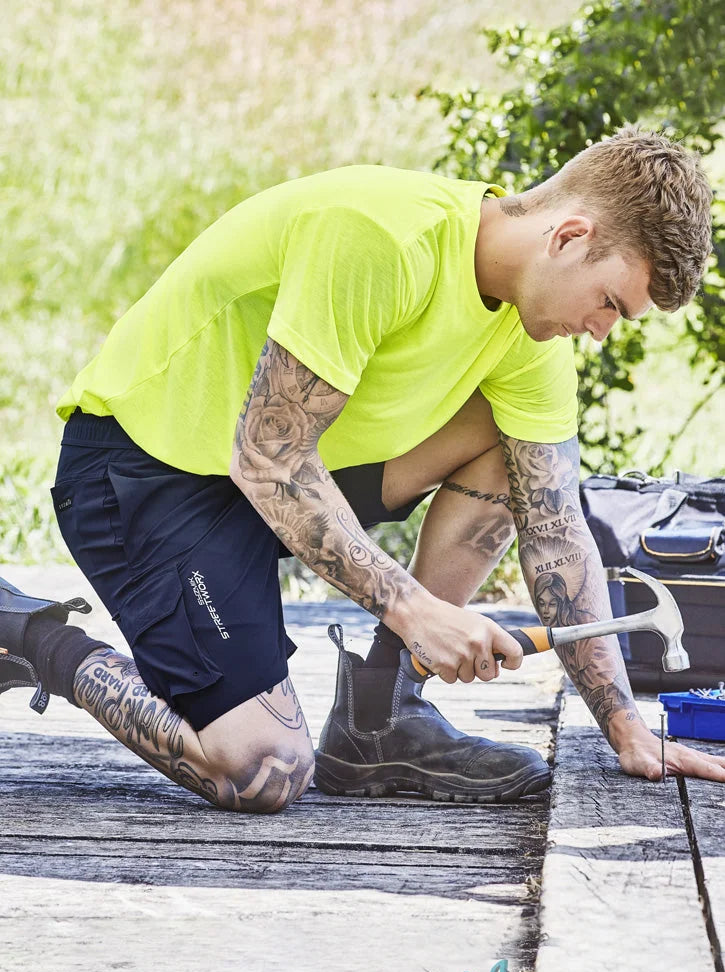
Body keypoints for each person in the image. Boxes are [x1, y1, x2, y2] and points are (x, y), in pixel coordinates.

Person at [3, 125, 725, 814]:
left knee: (520, 453)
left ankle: (377, 717)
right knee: (259, 772)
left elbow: (556, 528)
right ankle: (29, 633)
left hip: (278, 474)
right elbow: (267, 457)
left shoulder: (529, 333)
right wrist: (416, 613)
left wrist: (626, 726)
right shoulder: (380, 237)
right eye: (608, 304)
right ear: (569, 237)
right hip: (142, 472)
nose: (600, 330)